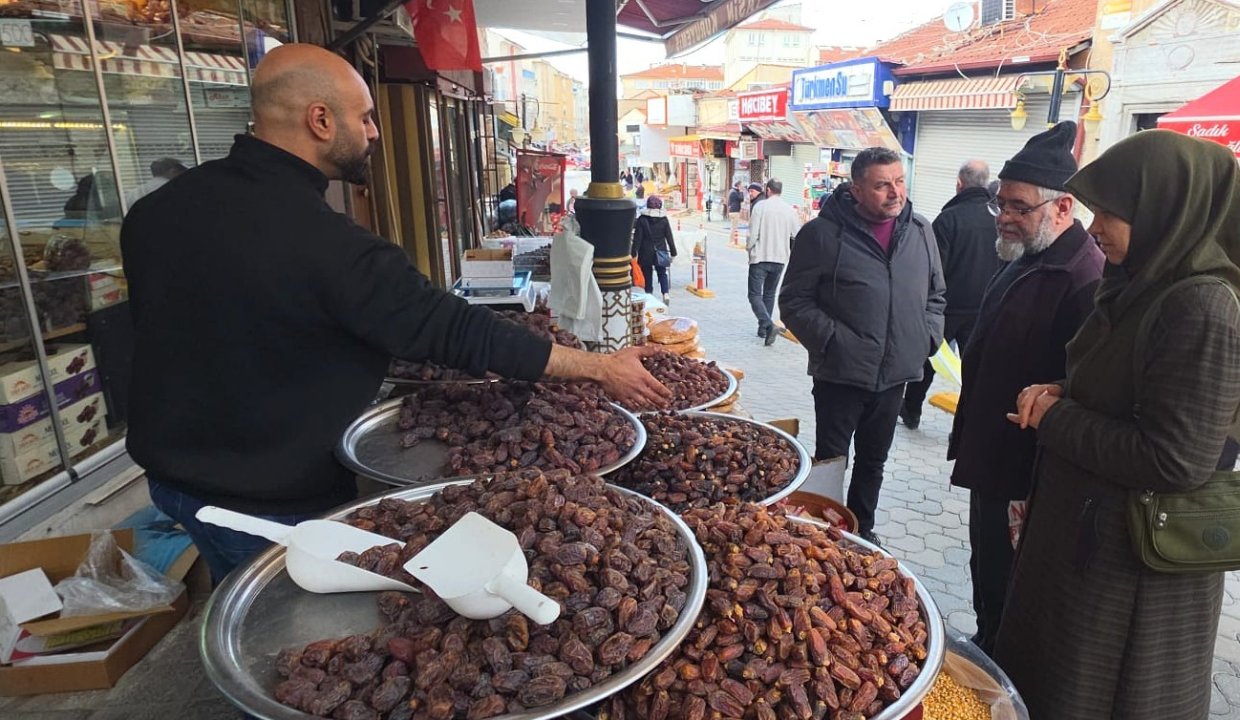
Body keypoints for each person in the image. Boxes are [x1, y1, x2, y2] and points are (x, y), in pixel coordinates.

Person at [122, 44, 670, 585]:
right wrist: (598, 368)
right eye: (364, 118)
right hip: (269, 497)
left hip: (172, 475)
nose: (375, 132)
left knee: (231, 584)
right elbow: (455, 330)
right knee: (294, 617)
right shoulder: (328, 245)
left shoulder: (155, 211)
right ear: (319, 121)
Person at [997, 130, 1240, 719]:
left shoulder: (1202, 306)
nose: (1094, 228)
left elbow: (1175, 460)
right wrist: (1066, 389)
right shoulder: (1144, 284)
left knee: (1090, 699)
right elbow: (1137, 387)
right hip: (1090, 545)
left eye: (1111, 214)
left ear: (1165, 210)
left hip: (1131, 571)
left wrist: (1057, 416)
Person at [945, 124, 1104, 654]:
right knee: (987, 566)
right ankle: (987, 645)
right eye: (1002, 206)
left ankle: (1002, 671)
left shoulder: (1084, 278)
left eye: (1019, 207)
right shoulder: (1027, 256)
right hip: (993, 454)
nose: (1007, 218)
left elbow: (1082, 388)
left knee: (1010, 580)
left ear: (1063, 209)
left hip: (1027, 471)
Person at [779, 147, 945, 544]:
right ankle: (823, 534)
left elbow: (936, 295)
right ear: (855, 190)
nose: (895, 192)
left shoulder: (920, 231)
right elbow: (794, 302)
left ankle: (863, 534)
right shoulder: (820, 235)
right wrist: (836, 342)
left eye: (899, 181)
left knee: (874, 462)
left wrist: (925, 339)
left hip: (895, 377)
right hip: (840, 375)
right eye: (882, 185)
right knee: (833, 460)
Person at [900, 160, 1000, 429]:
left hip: (947, 308)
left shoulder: (948, 219)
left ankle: (911, 411)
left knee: (929, 359)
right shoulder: (998, 218)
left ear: (959, 184)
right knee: (974, 367)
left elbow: (933, 269)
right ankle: (970, 420)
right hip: (983, 308)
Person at [746, 179, 800, 346]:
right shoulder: (789, 210)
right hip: (780, 258)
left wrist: (749, 248)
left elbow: (753, 233)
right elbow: (795, 234)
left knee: (754, 295)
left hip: (760, 257)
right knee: (769, 294)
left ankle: (768, 325)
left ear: (768, 190)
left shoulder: (760, 207)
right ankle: (763, 330)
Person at [633, 195, 678, 302]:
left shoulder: (642, 219)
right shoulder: (664, 219)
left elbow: (637, 238)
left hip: (645, 251)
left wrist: (633, 252)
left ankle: (649, 296)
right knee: (662, 273)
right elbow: (669, 237)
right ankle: (665, 293)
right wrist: (673, 252)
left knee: (647, 274)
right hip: (661, 250)